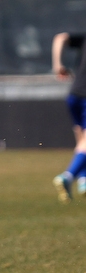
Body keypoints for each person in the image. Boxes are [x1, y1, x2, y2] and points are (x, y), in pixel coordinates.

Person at [51, 31, 86, 203]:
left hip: (74, 95)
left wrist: (57, 65)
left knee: (82, 140)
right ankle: (68, 176)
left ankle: (83, 180)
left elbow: (60, 37)